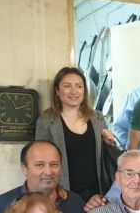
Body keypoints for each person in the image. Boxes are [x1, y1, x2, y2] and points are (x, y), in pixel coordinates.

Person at [35, 66, 116, 201]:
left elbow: (107, 155)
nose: (74, 91)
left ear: (84, 91)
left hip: (98, 193)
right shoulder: (46, 121)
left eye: (79, 86)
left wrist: (109, 142)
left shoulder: (97, 118)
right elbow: (39, 159)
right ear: (57, 91)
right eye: (67, 86)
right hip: (63, 193)